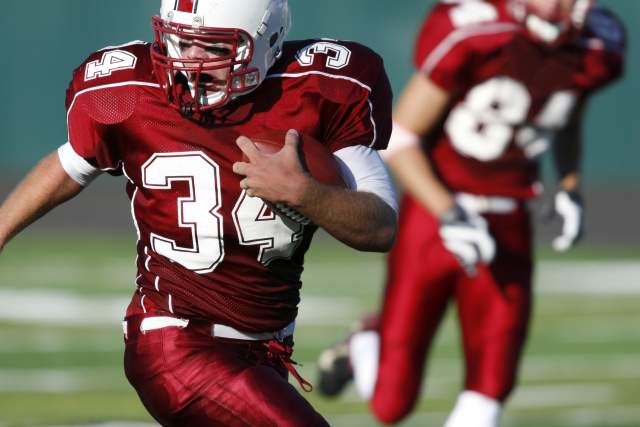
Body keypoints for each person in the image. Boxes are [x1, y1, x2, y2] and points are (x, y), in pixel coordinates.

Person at [0, 0, 399, 425]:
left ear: (268, 42)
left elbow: (381, 226)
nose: (186, 61)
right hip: (174, 342)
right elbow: (71, 165)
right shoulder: (128, 91)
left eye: (211, 48)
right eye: (180, 41)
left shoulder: (321, 87)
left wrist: (307, 193)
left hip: (266, 349)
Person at [316, 0, 625, 426]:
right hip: (435, 213)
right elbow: (401, 137)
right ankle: (367, 340)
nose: (577, 5)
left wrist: (570, 184)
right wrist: (450, 213)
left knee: (490, 390)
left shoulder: (598, 41)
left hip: (509, 218)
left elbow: (566, 112)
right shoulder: (474, 30)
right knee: (390, 407)